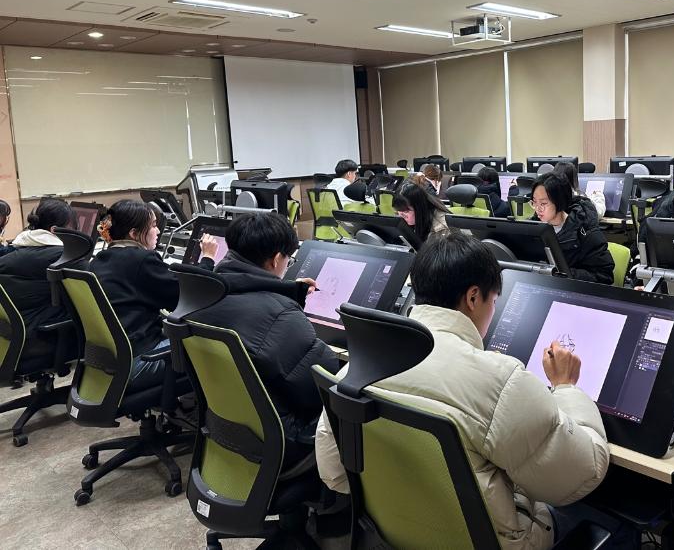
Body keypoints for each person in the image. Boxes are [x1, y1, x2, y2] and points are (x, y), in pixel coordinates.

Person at [315, 232, 610, 548]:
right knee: (610, 521)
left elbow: (334, 473)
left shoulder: (357, 369)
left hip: (392, 534)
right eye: (493, 302)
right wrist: (565, 386)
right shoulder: (501, 382)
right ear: (473, 298)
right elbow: (583, 473)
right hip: (493, 542)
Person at [190, 212, 340, 473]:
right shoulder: (280, 315)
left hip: (224, 426)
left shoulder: (202, 293)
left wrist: (286, 291)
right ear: (276, 259)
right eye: (289, 259)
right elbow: (320, 387)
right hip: (283, 438)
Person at [91, 200, 218, 391]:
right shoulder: (140, 259)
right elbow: (187, 298)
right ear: (134, 233)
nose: (158, 231)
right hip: (140, 361)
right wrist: (207, 258)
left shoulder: (101, 259)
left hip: (110, 360)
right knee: (215, 349)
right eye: (153, 226)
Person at [0, 199, 76, 357]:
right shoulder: (61, 257)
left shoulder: (15, 250)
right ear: (55, 230)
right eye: (73, 228)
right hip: (38, 339)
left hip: (12, 338)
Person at [531, 173, 613, 284]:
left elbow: (604, 276)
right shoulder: (533, 228)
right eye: (534, 202)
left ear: (559, 202)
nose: (537, 209)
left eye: (543, 203)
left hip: (572, 290)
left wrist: (564, 274)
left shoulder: (586, 231)